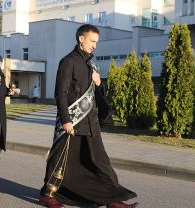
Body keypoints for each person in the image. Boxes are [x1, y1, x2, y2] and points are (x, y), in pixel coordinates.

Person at [38, 24, 138, 208]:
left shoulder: (91, 64)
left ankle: (112, 200)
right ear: (81, 39)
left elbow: (97, 96)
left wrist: (99, 84)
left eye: (96, 42)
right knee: (61, 160)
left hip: (90, 123)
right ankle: (48, 195)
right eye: (92, 41)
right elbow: (60, 93)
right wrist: (66, 120)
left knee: (101, 163)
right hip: (72, 122)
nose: (94, 45)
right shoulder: (68, 61)